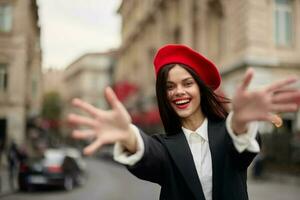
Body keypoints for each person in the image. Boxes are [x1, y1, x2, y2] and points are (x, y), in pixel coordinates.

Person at [68, 44, 300, 200]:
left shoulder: (229, 133)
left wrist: (239, 120)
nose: (178, 92)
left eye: (187, 83)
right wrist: (127, 134)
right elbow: (149, 154)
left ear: (200, 87)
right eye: (170, 86)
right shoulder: (164, 147)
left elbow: (239, 145)